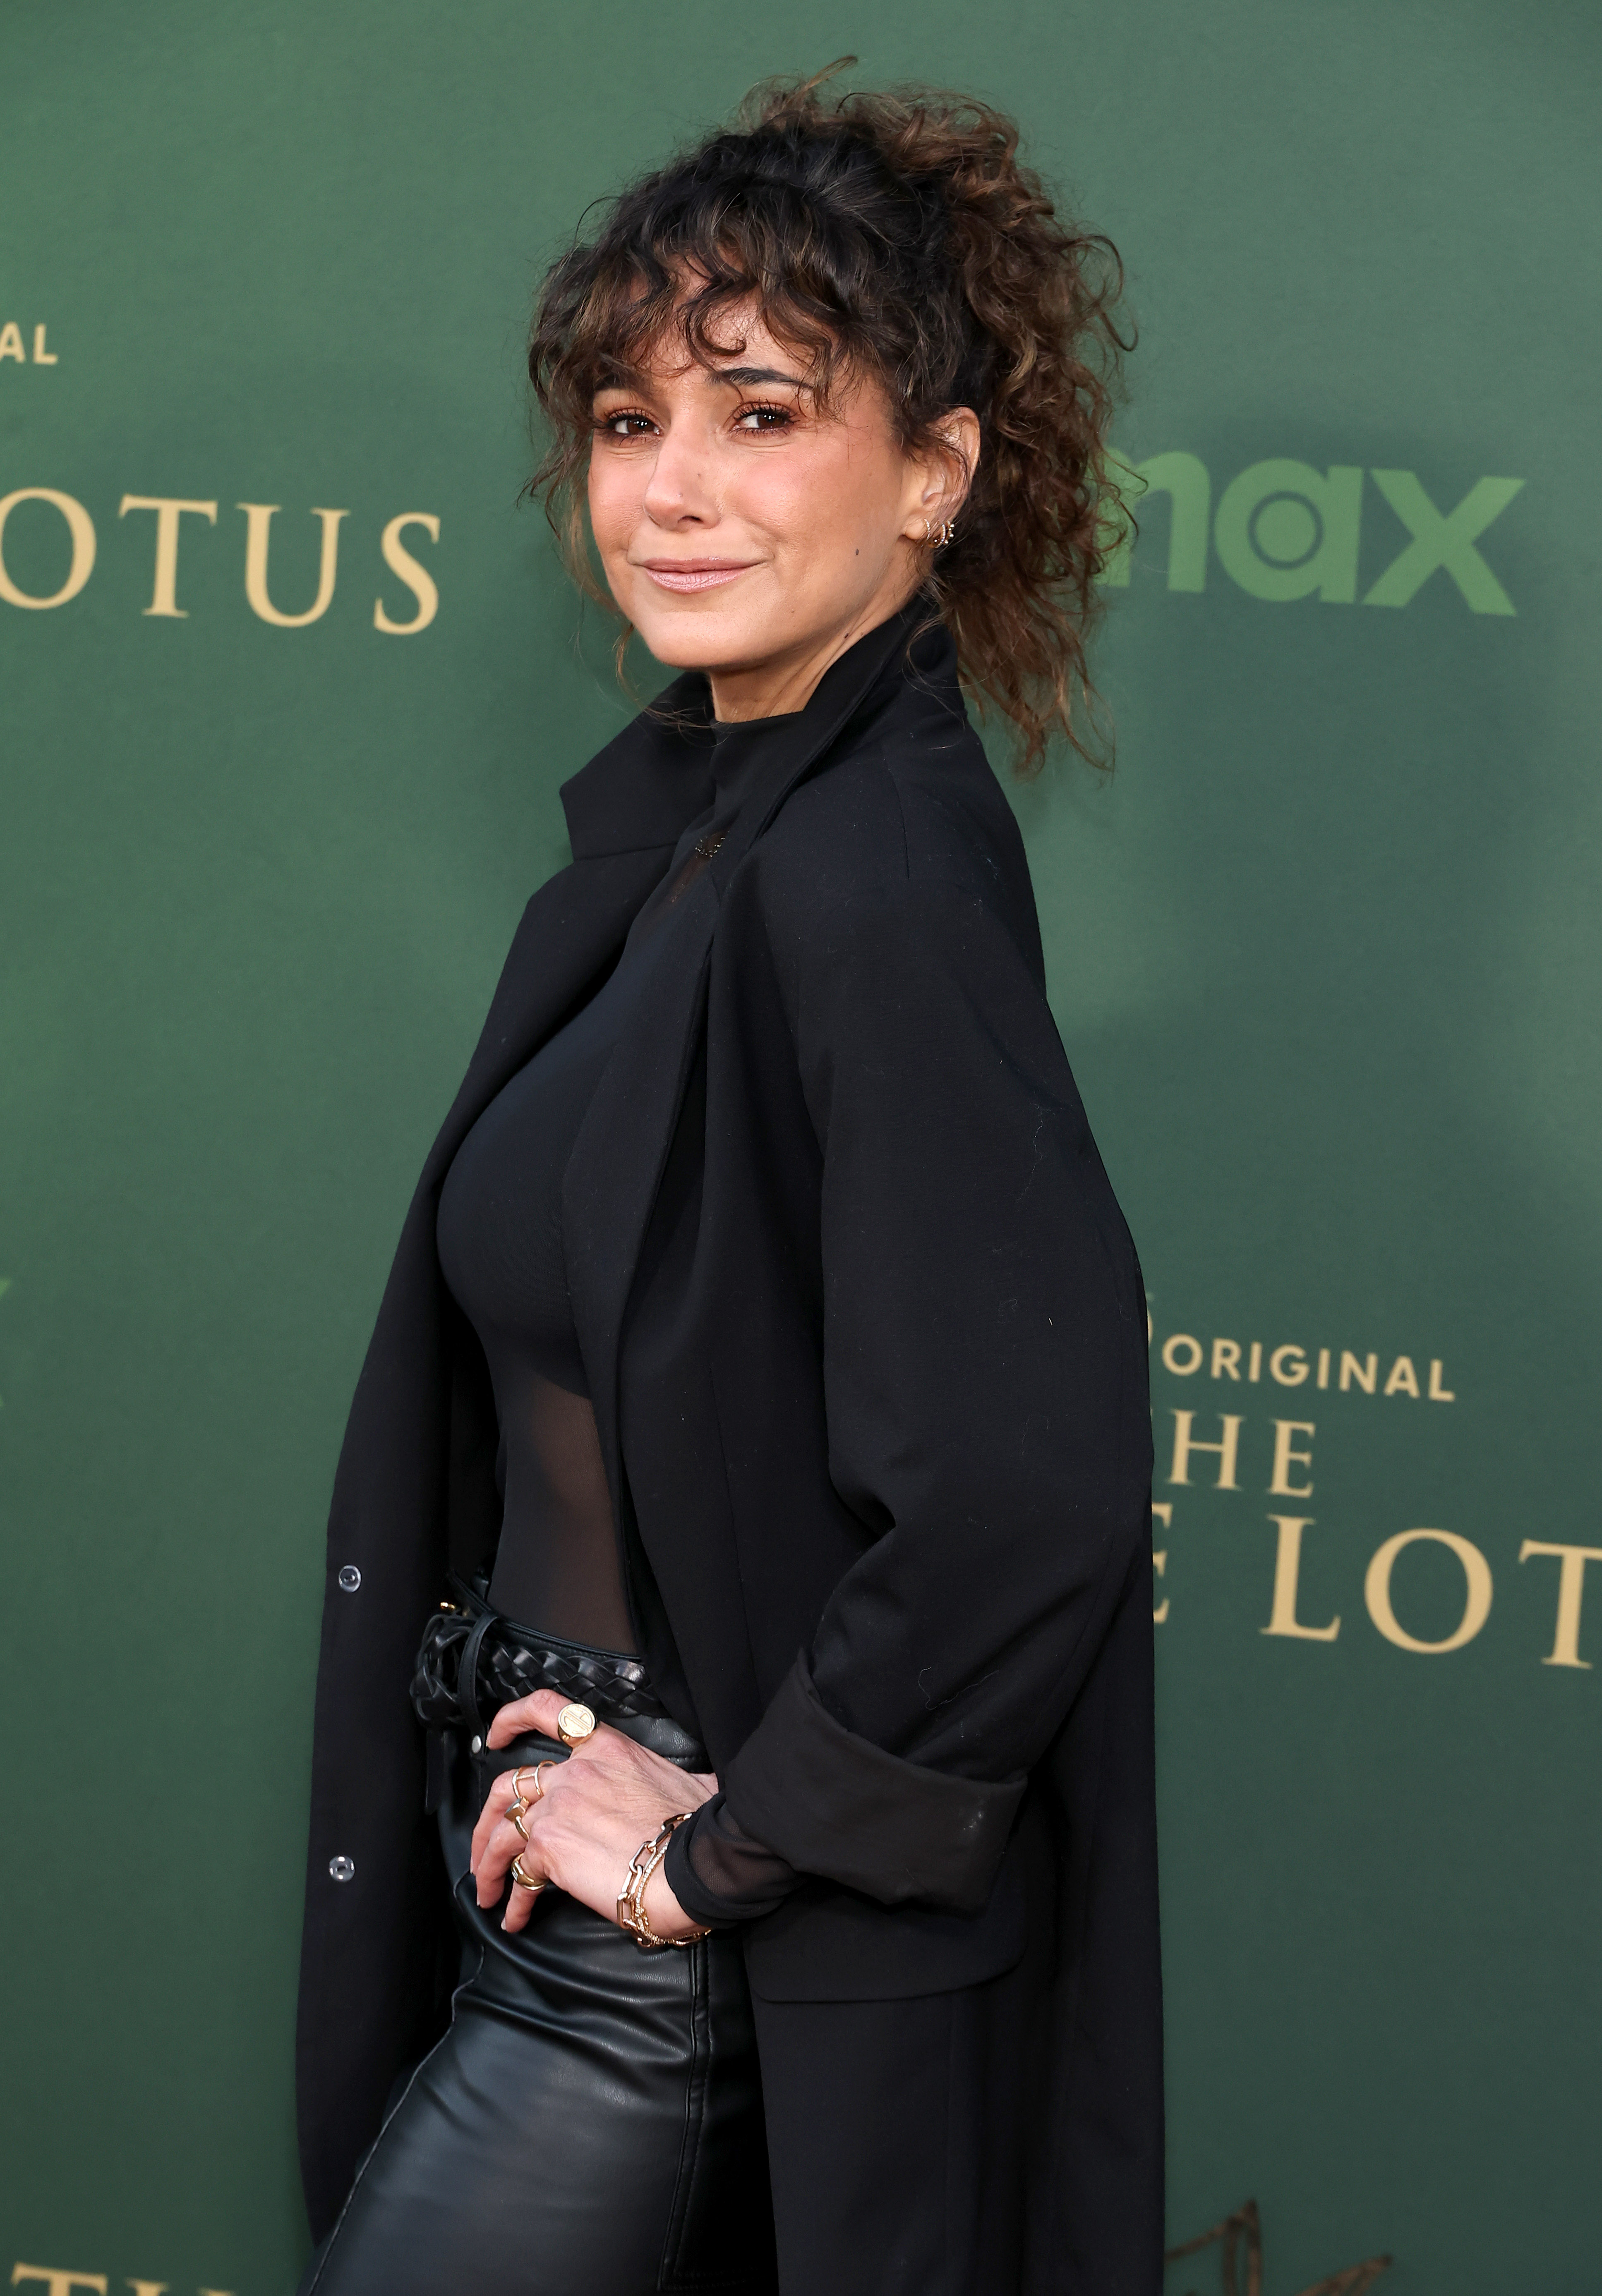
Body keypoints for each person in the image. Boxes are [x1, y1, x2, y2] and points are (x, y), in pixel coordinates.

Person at [294, 65, 1161, 2296]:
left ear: (939, 472)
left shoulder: (869, 877)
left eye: (762, 414)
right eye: (626, 420)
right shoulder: (709, 837)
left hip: (659, 1968)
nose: (669, 488)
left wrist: (714, 1848)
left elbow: (1027, 1487)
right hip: (567, 1892)